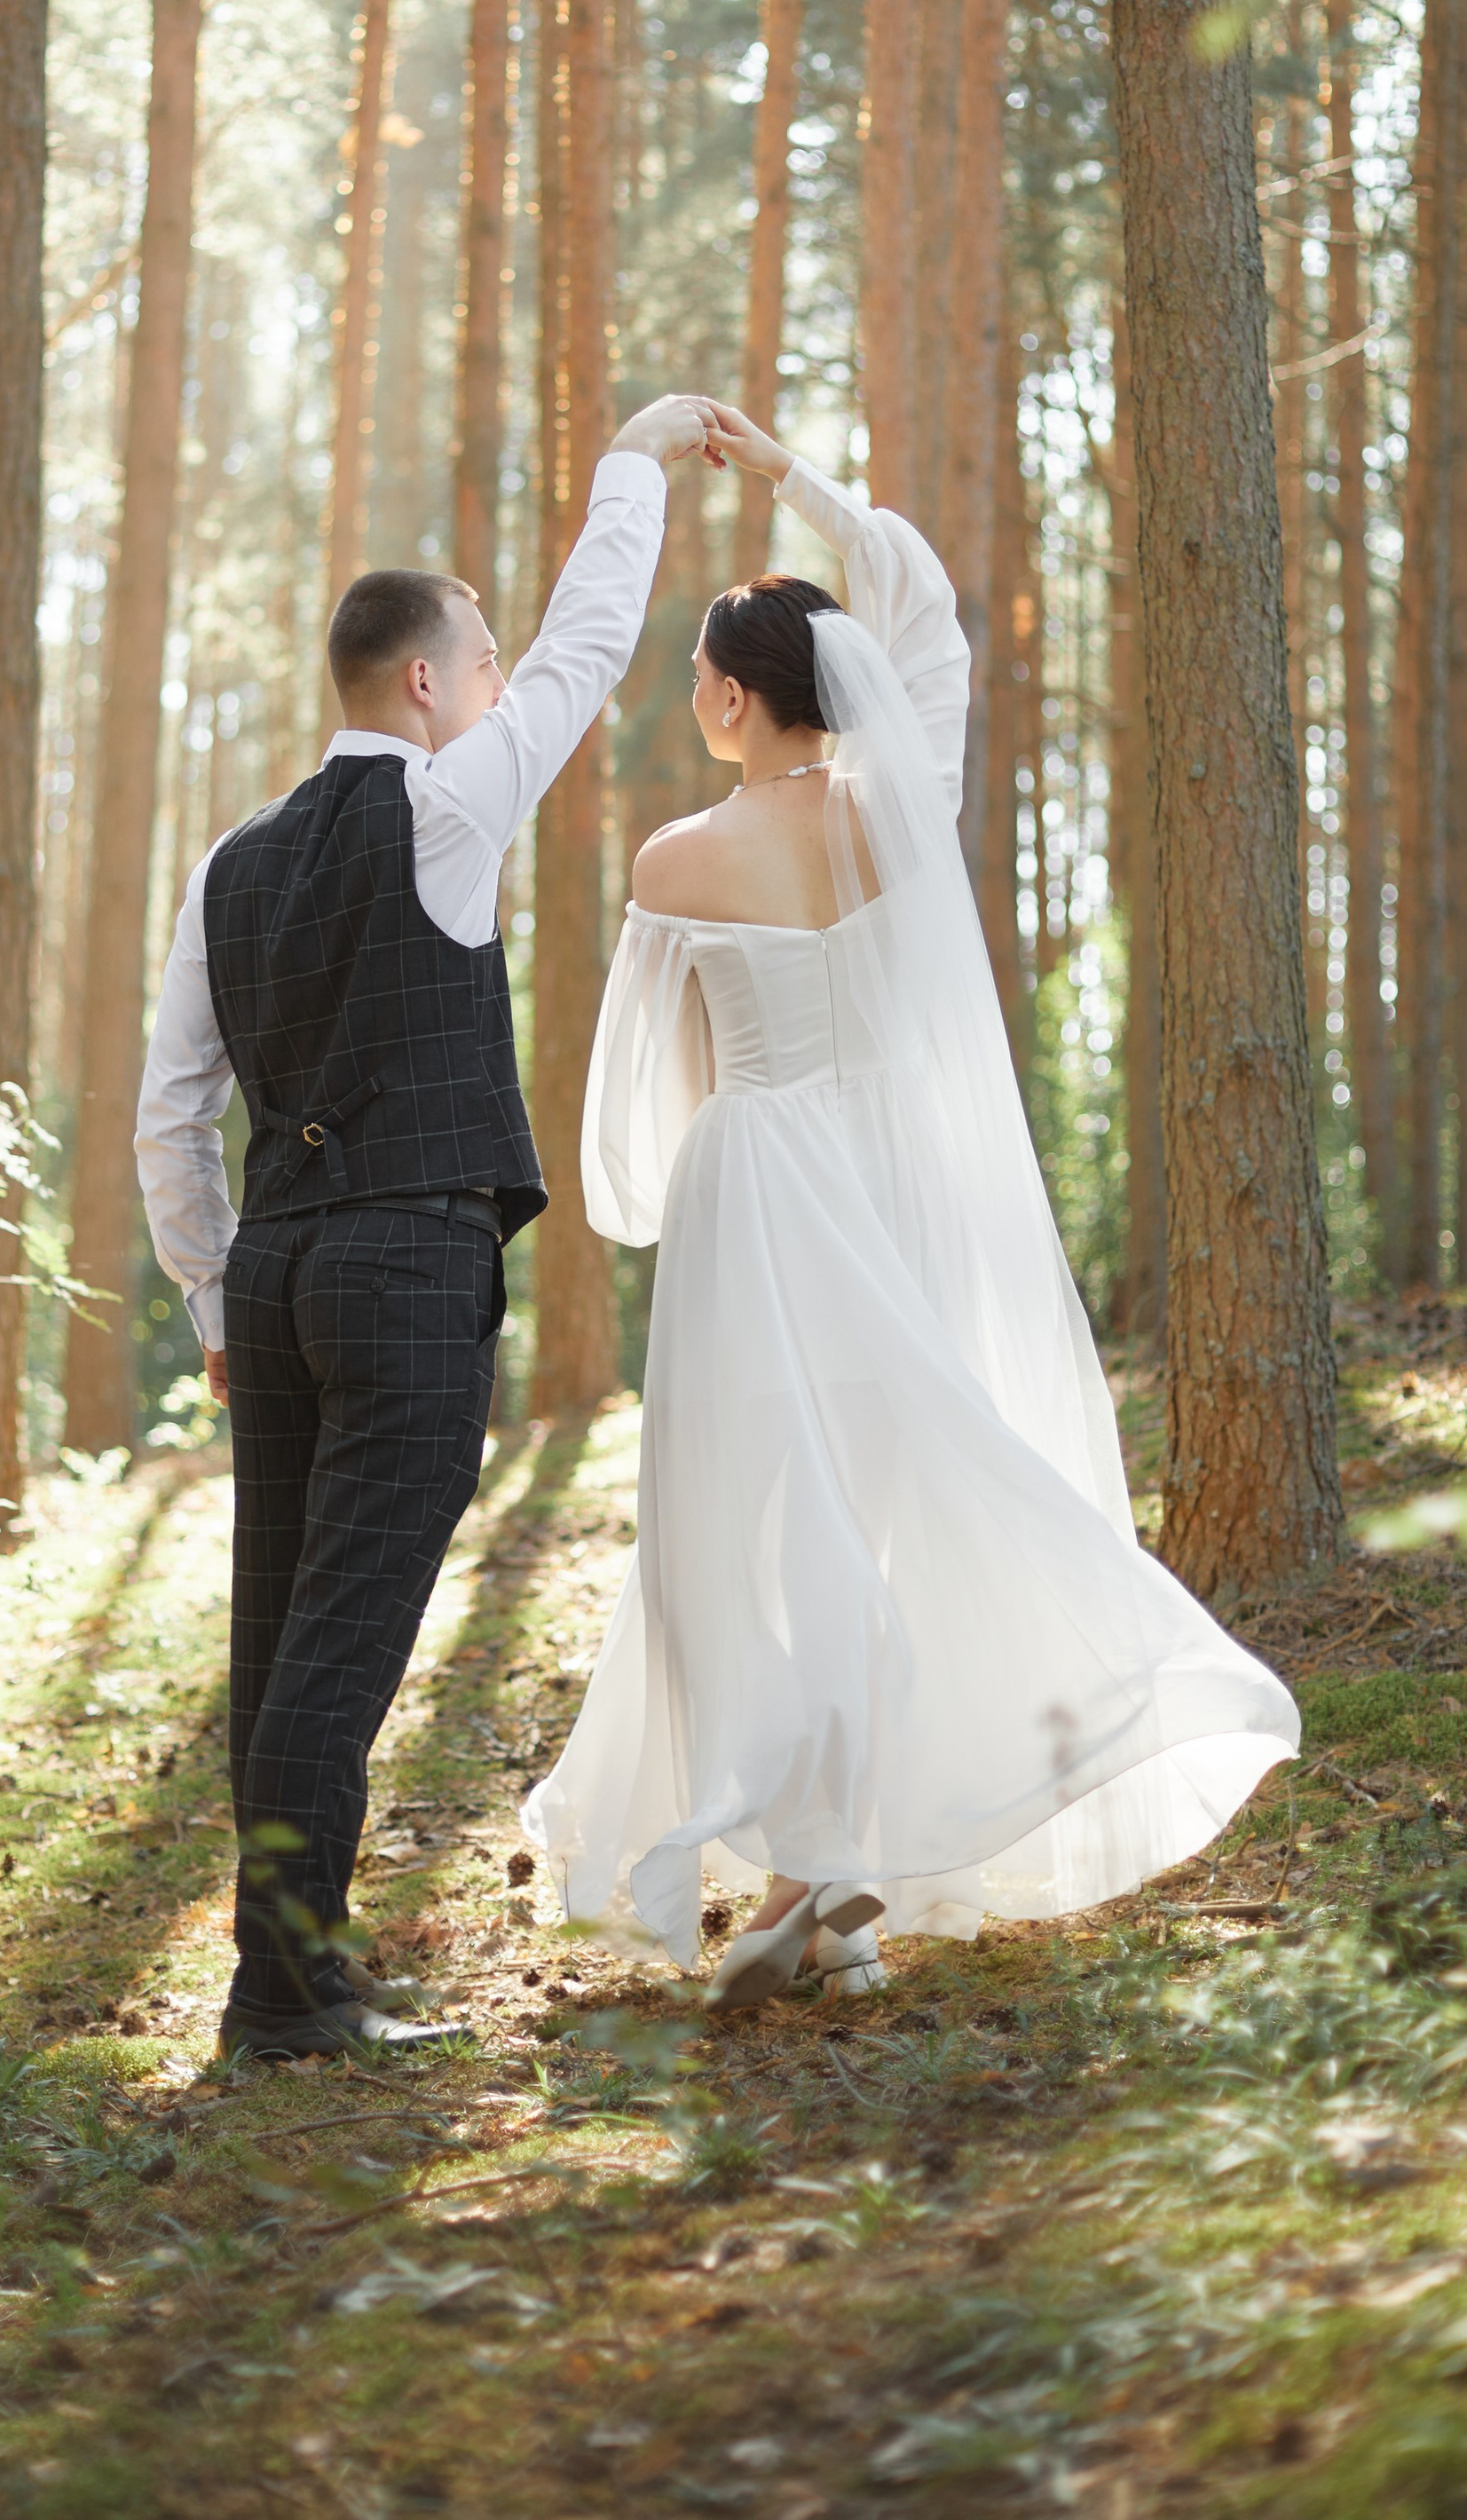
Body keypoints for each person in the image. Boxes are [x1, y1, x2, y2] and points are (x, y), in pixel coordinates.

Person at [523, 403, 1299, 2009]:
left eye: (702, 678)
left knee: (744, 1526)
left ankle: (805, 1867)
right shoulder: (895, 817)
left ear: (733, 700)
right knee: (882, 1503)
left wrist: (663, 1179)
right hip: (886, 1179)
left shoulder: (676, 862)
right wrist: (789, 477)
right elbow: (925, 610)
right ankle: (841, 1895)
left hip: (755, 1186)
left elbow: (651, 1084)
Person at [138, 392, 722, 2063]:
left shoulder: (229, 864)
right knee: (338, 1643)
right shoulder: (449, 809)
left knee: (278, 1637)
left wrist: (216, 1306)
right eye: (481, 662)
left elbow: (169, 1117)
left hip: (277, 1271)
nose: (500, 683)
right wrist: (635, 459)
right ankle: (286, 1994)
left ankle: (283, 1982)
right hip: (404, 1264)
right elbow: (591, 642)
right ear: (424, 685)